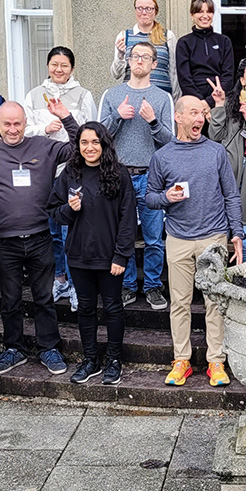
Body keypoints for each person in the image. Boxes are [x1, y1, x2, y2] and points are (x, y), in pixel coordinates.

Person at [0, 100, 80, 378]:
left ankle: (48, 348)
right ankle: (14, 349)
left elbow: (78, 147)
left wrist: (65, 116)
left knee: (44, 298)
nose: (12, 129)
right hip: (3, 242)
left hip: (40, 237)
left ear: (25, 122)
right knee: (9, 300)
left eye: (17, 123)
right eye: (6, 124)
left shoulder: (43, 146)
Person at [145, 96, 244, 387]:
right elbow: (149, 197)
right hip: (177, 238)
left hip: (213, 236)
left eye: (202, 113)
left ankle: (216, 362)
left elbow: (231, 195)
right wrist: (166, 198)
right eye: (193, 113)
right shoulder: (162, 156)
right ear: (178, 117)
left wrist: (236, 232)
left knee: (214, 302)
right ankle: (181, 360)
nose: (200, 118)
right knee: (180, 303)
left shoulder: (216, 152)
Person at [48, 122, 136, 386]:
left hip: (111, 257)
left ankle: (113, 360)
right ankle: (90, 360)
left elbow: (128, 218)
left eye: (95, 142)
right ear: (78, 146)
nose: (89, 148)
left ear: (104, 144)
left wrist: (121, 256)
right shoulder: (70, 174)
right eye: (84, 142)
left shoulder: (119, 174)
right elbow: (53, 211)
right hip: (79, 255)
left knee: (112, 308)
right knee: (85, 309)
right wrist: (69, 209)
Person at [99, 40, 175, 310]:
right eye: (135, 56)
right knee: (124, 235)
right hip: (119, 176)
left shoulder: (162, 97)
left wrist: (153, 121)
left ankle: (153, 285)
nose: (139, 60)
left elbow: (171, 141)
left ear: (154, 64)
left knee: (154, 237)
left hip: (152, 176)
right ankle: (128, 284)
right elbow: (97, 139)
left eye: (146, 57)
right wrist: (118, 116)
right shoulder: (112, 95)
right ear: (129, 61)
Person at [22, 46, 96, 310]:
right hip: (44, 171)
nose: (59, 69)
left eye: (64, 65)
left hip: (72, 171)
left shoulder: (83, 95)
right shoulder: (33, 95)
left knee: (70, 231)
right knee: (52, 231)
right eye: (54, 64)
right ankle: (60, 279)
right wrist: (44, 127)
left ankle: (77, 285)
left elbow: (91, 129)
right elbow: (24, 130)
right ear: (48, 66)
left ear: (72, 69)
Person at [208, 58, 246, 262]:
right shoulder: (231, 102)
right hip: (228, 174)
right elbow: (215, 136)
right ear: (242, 80)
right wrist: (218, 105)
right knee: (221, 235)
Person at [111, 0, 179, 95]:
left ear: (155, 11)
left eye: (148, 8)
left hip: (162, 97)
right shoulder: (124, 36)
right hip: (133, 97)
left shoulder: (167, 36)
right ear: (135, 10)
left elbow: (174, 73)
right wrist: (120, 56)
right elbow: (116, 74)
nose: (144, 12)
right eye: (140, 8)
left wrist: (174, 103)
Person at [176, 0, 236, 105]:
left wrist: (209, 102)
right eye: (200, 12)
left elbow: (228, 77)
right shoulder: (184, 43)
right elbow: (185, 80)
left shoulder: (224, 41)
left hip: (219, 100)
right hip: (193, 102)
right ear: (192, 15)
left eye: (209, 12)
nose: (205, 16)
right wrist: (201, 103)